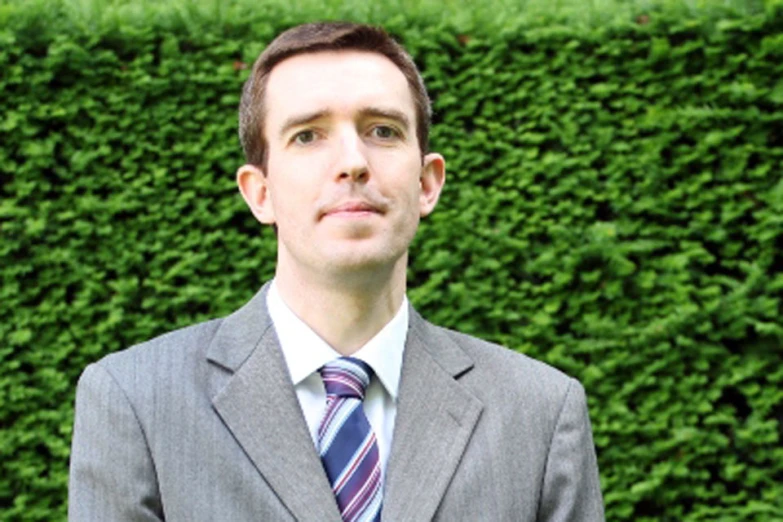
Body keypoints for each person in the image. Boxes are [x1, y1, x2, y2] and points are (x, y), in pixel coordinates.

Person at [68, 21, 604, 521]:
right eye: (308, 135)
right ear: (260, 193)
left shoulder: (539, 413)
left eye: (383, 131)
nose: (352, 160)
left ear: (427, 183)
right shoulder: (135, 401)